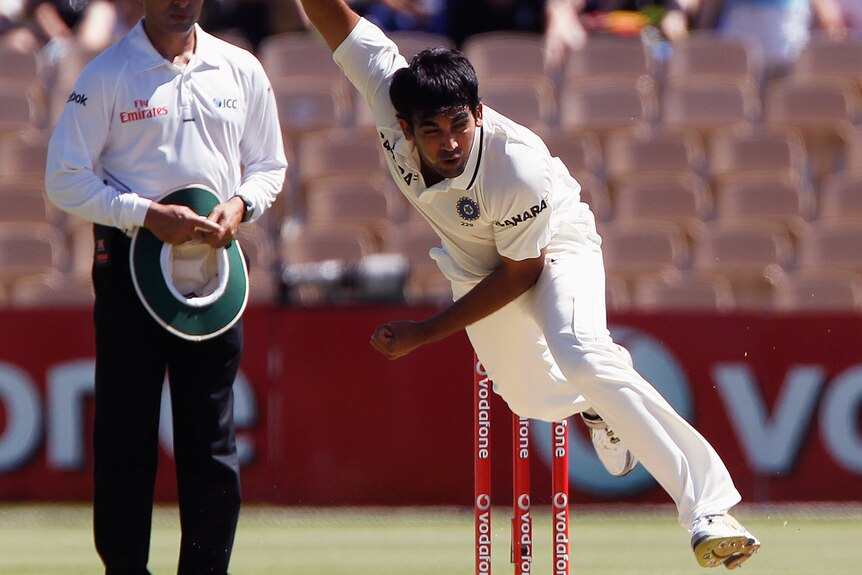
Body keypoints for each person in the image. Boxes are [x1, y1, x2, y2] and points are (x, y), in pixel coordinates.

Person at [297, 0, 761, 569]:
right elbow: (330, 17)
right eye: (432, 131)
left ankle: (709, 509)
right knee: (531, 399)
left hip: (554, 244)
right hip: (474, 263)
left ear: (479, 112)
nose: (449, 144)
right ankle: (600, 405)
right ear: (404, 126)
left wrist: (426, 332)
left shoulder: (517, 165)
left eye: (460, 125)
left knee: (581, 353)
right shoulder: (387, 87)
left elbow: (523, 272)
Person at [44, 0, 286, 573]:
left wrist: (240, 204)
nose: (181, 2)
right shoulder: (106, 74)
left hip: (213, 274)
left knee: (213, 444)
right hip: (130, 270)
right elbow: (63, 179)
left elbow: (269, 166)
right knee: (126, 438)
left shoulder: (241, 68)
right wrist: (144, 213)